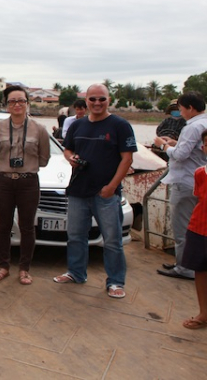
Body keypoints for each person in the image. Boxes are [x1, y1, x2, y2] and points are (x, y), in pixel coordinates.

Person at [54, 83, 137, 299]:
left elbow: (127, 159)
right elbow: (68, 148)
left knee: (112, 240)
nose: (97, 103)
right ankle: (76, 272)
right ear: (86, 100)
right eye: (93, 99)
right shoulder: (77, 125)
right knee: (75, 236)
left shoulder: (120, 125)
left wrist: (111, 187)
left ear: (110, 100)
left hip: (106, 194)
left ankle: (116, 281)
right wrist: (70, 158)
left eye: (102, 99)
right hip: (78, 191)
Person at [0, 85, 51, 285]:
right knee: (3, 226)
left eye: (21, 101)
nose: (17, 104)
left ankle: (24, 268)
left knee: (27, 227)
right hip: (4, 181)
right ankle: (3, 265)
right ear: (6, 105)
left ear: (27, 103)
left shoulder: (39, 129)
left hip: (28, 182)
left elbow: (44, 159)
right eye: (12, 101)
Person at [153, 92, 207, 280]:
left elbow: (181, 155)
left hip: (184, 182)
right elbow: (194, 150)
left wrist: (163, 146)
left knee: (182, 227)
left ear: (190, 108)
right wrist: (176, 143)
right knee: (193, 226)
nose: (180, 112)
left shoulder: (192, 127)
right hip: (198, 182)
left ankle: (185, 268)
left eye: (181, 109)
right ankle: (185, 262)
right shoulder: (204, 123)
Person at [181, 129, 207, 330]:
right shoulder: (201, 173)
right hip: (199, 228)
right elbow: (200, 197)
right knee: (200, 270)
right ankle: (203, 312)